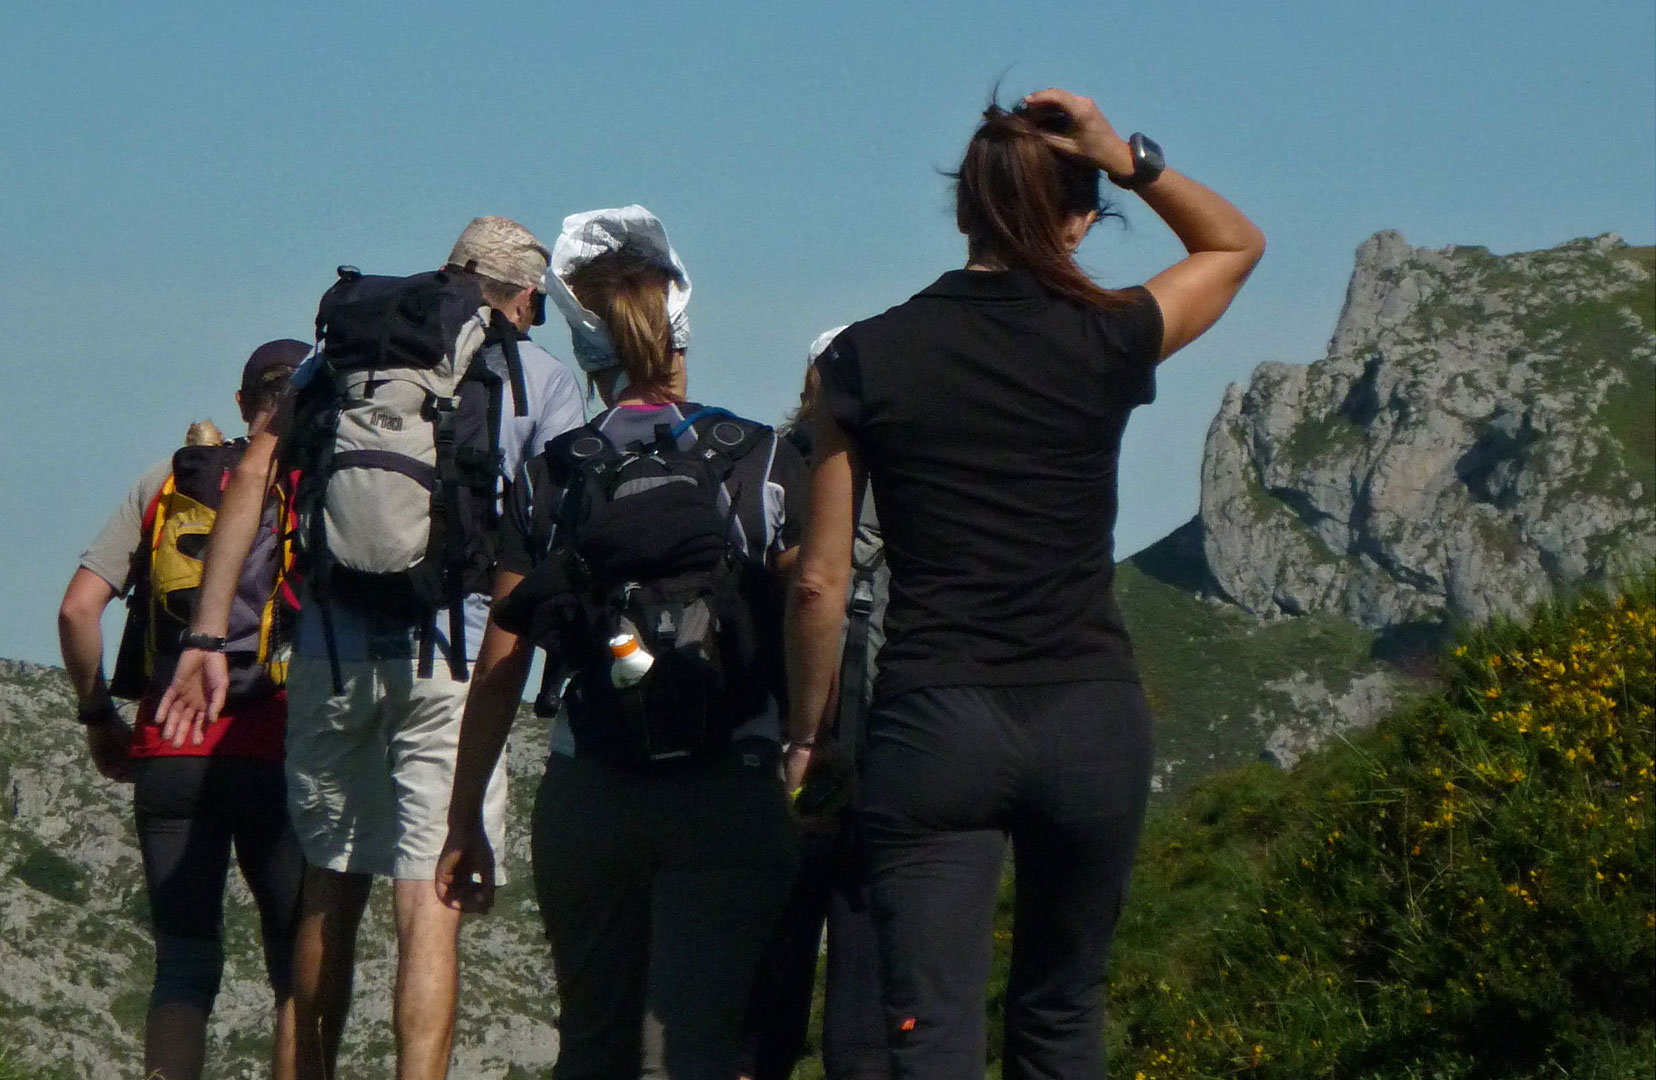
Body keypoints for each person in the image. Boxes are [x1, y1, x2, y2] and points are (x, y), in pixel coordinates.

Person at [785, 89, 1264, 1079]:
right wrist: (1124, 154)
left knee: (931, 1026)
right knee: (1060, 1015)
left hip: (936, 722)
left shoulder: (860, 359)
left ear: (962, 212)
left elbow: (820, 583)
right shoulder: (1105, 335)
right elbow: (1233, 248)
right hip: (1089, 715)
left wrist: (807, 737)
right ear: (1081, 222)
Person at [157, 217, 585, 1080]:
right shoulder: (536, 376)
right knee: (429, 901)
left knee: (327, 885)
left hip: (330, 649)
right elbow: (554, 537)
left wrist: (207, 634)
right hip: (454, 658)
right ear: (524, 295)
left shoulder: (344, 359)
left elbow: (254, 480)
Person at [435, 206, 804, 1079]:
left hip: (591, 789)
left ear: (586, 350)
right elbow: (813, 603)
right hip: (730, 784)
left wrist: (463, 820)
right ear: (681, 333)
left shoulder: (554, 473)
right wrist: (813, 745)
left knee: (593, 1046)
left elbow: (504, 659)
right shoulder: (759, 459)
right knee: (694, 1047)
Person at [57, 339, 310, 1080]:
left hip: (170, 749)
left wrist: (100, 717)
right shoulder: (311, 485)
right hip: (279, 748)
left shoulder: (166, 483)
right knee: (297, 969)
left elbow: (77, 611)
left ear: (241, 404)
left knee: (184, 966)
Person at [737, 328, 889, 1080]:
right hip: (880, 728)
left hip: (788, 730)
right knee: (862, 951)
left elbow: (798, 584)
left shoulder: (778, 459)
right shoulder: (901, 467)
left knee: (771, 968)